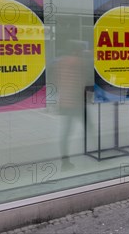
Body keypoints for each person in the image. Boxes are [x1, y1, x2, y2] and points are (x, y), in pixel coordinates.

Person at [54, 40, 89, 170]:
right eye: (80, 50)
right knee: (89, 127)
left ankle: (65, 160)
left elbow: (57, 80)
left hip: (64, 102)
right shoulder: (79, 62)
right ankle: (94, 150)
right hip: (76, 102)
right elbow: (83, 81)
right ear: (76, 51)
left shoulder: (60, 62)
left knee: (65, 133)